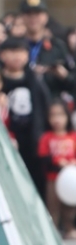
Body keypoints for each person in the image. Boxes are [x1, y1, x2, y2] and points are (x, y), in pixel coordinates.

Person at [0, 36, 50, 198]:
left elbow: (45, 106)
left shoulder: (34, 79)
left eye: (21, 52)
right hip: (6, 137)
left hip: (31, 139)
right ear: (2, 55)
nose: (17, 56)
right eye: (12, 51)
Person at [19, 0, 74, 98]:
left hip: (53, 100)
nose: (33, 18)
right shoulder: (14, 45)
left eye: (37, 13)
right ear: (22, 17)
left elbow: (72, 81)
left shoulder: (58, 46)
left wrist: (63, 75)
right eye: (28, 14)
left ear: (46, 16)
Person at [38, 101, 76, 236]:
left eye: (60, 115)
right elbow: (43, 157)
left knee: (70, 207)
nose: (57, 119)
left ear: (67, 116)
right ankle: (52, 231)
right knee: (53, 206)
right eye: (53, 115)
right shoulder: (46, 137)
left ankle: (69, 227)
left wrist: (72, 163)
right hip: (53, 178)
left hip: (71, 180)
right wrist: (57, 162)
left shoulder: (73, 137)